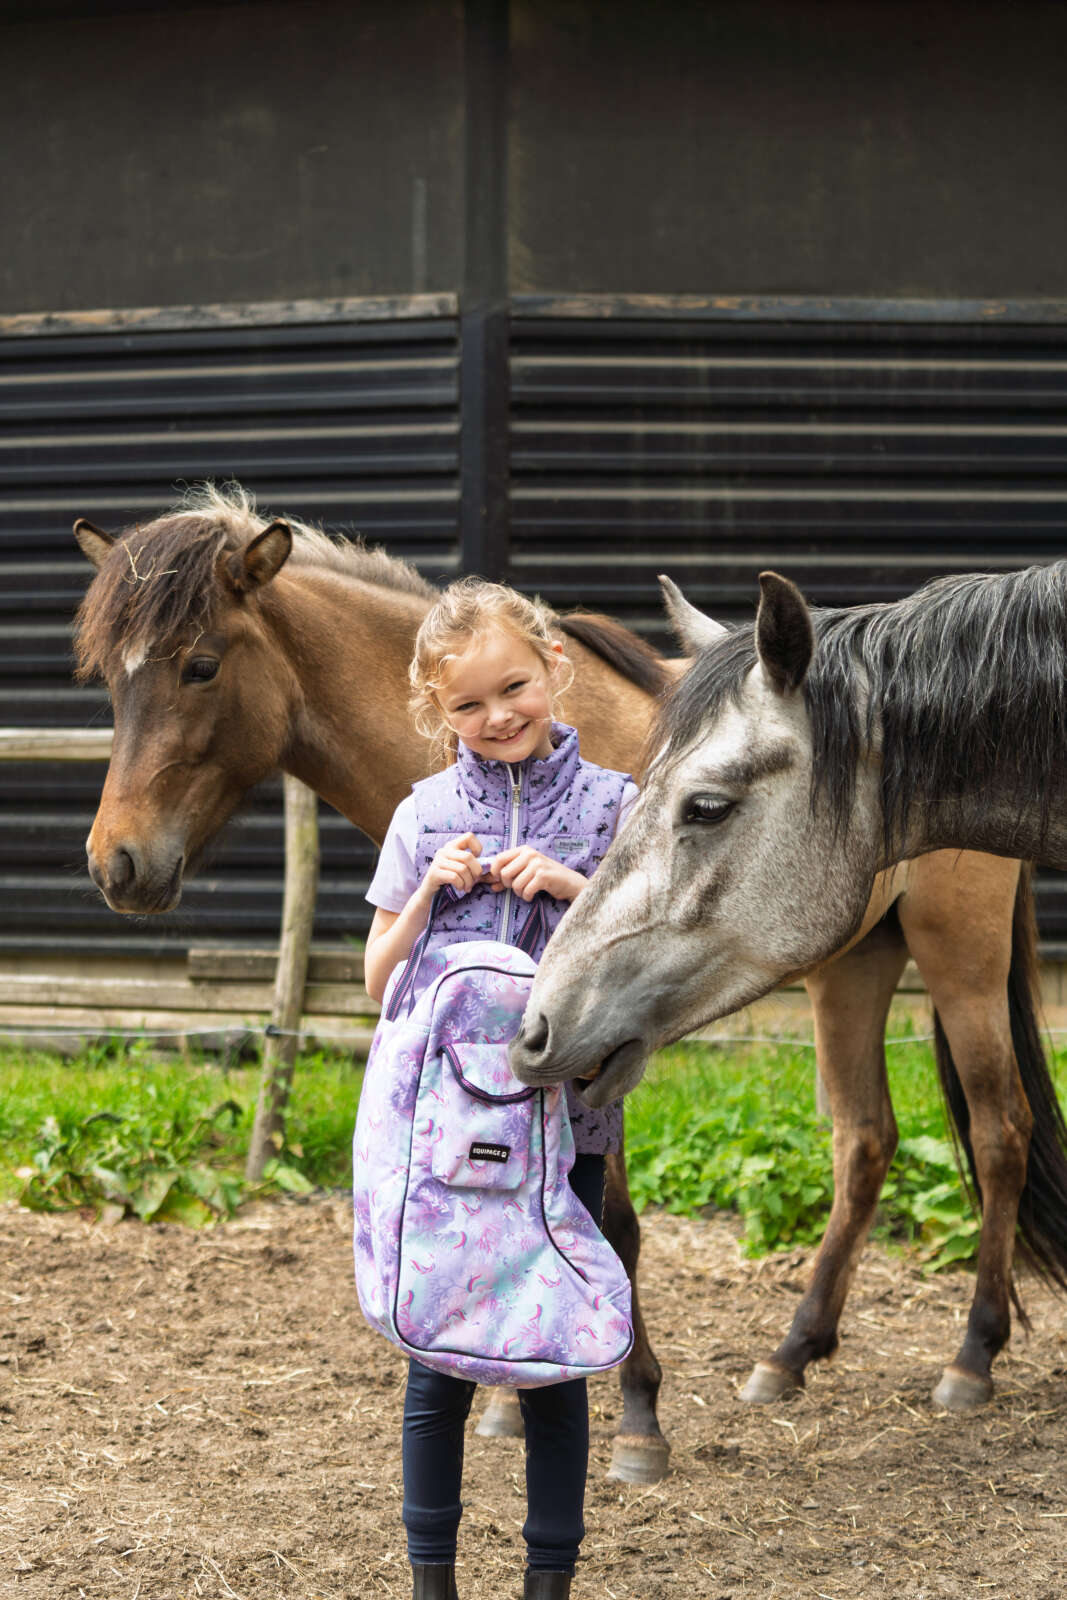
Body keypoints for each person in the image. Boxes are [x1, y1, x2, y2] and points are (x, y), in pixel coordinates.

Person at [363, 577, 638, 1600]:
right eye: (468, 704)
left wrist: (571, 888)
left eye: (513, 686)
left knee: (552, 1360)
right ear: (439, 712)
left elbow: (640, 960)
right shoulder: (423, 815)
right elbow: (374, 980)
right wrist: (431, 893)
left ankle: (545, 1584)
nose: (497, 716)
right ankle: (431, 1581)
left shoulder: (618, 808)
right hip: (444, 1128)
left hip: (567, 1122)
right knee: (434, 1362)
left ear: (553, 668)